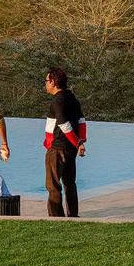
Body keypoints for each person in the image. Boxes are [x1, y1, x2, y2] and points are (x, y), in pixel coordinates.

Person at [43, 67, 87, 218]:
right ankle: (73, 215)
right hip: (69, 149)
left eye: (47, 81)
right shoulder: (72, 98)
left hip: (58, 148)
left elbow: (63, 124)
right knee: (70, 183)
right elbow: (81, 121)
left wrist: (78, 143)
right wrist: (80, 141)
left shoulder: (58, 100)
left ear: (53, 82)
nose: (45, 84)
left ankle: (56, 218)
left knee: (53, 186)